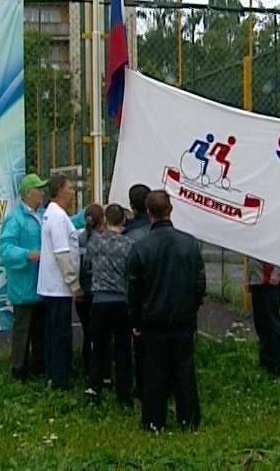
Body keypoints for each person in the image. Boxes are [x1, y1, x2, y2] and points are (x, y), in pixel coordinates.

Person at [127, 190, 206, 430]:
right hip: (183, 318)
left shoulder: (140, 247)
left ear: (148, 212)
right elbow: (200, 283)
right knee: (184, 370)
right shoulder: (190, 244)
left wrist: (136, 320)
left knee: (154, 372)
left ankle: (154, 420)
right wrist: (192, 307)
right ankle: (189, 419)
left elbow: (134, 289)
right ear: (170, 209)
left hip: (152, 320)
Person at [0, 173, 48, 381]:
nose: (42, 193)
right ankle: (18, 370)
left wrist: (83, 217)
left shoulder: (42, 215)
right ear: (28, 193)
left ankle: (38, 368)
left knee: (40, 330)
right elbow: (4, 248)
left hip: (41, 285)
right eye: (39, 189)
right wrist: (26, 254)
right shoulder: (15, 219)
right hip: (23, 287)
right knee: (23, 331)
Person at [86, 203, 135, 407]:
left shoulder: (95, 242)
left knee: (99, 347)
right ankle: (124, 396)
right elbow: (132, 272)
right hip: (121, 301)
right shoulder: (129, 244)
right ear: (123, 220)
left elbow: (87, 265)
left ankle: (94, 390)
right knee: (123, 349)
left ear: (105, 220)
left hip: (99, 301)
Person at [37, 174, 82, 390]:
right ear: (60, 191)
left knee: (53, 332)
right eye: (70, 188)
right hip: (58, 287)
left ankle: (53, 375)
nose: (73, 192)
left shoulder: (54, 214)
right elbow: (62, 254)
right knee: (60, 335)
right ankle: (59, 379)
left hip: (52, 285)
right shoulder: (57, 218)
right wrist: (74, 284)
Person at [123, 183, 151, 400]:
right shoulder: (167, 234)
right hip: (165, 300)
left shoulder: (129, 236)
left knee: (140, 347)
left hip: (140, 300)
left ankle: (142, 387)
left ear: (132, 206)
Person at [76, 203, 104, 381]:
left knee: (87, 332)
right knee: (100, 334)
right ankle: (100, 371)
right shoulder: (102, 241)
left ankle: (87, 369)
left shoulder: (78, 239)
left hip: (82, 292)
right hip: (98, 292)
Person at [248, 258, 280, 378]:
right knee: (261, 323)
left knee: (272, 323)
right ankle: (267, 361)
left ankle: (279, 366)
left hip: (269, 280)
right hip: (257, 279)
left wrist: (277, 274)